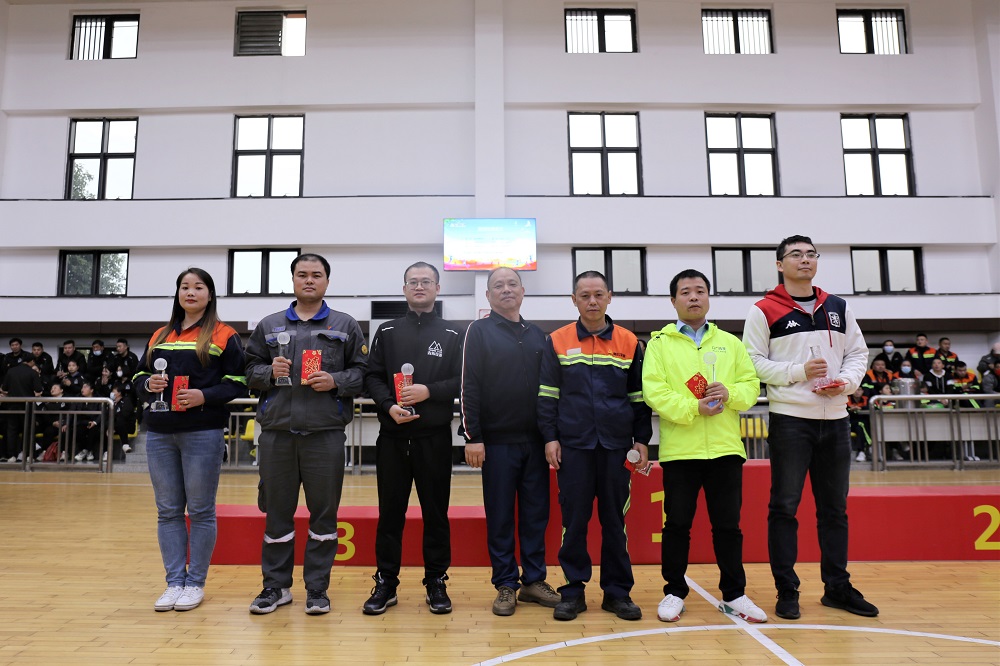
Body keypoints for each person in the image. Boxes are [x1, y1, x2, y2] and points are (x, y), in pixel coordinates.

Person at [743, 235, 878, 620]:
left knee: (834, 510)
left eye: (810, 254)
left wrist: (846, 383)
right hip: (790, 421)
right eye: (796, 254)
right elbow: (752, 362)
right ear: (779, 264)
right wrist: (798, 371)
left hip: (835, 420)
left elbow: (858, 353)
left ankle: (837, 588)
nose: (805, 260)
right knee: (784, 508)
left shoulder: (838, 306)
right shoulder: (763, 310)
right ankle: (787, 590)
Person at [245, 253, 368, 616]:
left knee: (324, 516)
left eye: (316, 275)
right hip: (277, 435)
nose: (309, 280)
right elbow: (248, 371)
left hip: (324, 435)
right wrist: (268, 372)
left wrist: (336, 380)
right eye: (303, 274)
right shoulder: (268, 325)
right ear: (293, 280)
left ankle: (317, 589)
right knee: (277, 514)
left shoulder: (345, 324)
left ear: (327, 281)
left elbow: (363, 373)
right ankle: (275, 587)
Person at [643, 269, 766, 624]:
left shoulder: (730, 342)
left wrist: (731, 393)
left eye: (700, 290)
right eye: (685, 292)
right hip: (681, 451)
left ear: (709, 297)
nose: (693, 297)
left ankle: (734, 594)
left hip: (725, 449)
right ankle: (674, 591)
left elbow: (750, 386)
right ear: (673, 301)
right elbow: (654, 392)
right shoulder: (659, 344)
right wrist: (693, 408)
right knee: (677, 525)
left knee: (728, 526)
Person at [537, 270, 651, 622]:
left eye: (598, 294)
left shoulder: (630, 342)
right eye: (584, 295)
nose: (592, 301)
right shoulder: (556, 341)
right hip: (573, 447)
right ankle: (572, 592)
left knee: (615, 521)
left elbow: (639, 398)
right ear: (574, 300)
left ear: (609, 297)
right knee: (574, 521)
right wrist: (550, 437)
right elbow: (547, 395)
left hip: (617, 448)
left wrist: (642, 440)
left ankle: (617, 594)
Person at [134, 268, 247, 613]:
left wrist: (204, 396)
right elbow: (140, 375)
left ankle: (195, 582)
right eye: (185, 287)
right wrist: (148, 385)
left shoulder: (225, 334)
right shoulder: (161, 334)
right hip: (159, 433)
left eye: (198, 287)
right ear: (178, 293)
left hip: (203, 432)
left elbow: (239, 382)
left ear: (210, 295)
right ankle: (174, 582)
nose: (191, 292)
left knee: (200, 510)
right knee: (168, 511)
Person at [361, 262, 462, 616]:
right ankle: (386, 582)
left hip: (434, 439)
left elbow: (462, 380)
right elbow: (372, 377)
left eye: (426, 281)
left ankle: (436, 581)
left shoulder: (453, 333)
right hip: (392, 437)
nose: (420, 286)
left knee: (436, 514)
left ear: (437, 288)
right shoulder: (387, 330)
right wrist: (388, 405)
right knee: (390, 514)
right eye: (413, 282)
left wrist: (428, 391)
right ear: (404, 289)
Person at [460, 267, 561, 616]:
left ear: (522, 291)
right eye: (498, 285)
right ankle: (506, 583)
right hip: (497, 444)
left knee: (536, 516)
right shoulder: (478, 331)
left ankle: (534, 580)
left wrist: (551, 436)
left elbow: (550, 391)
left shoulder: (538, 336)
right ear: (488, 295)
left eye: (512, 284)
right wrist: (473, 437)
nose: (506, 289)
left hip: (535, 444)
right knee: (501, 516)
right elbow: (468, 385)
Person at [1, 356, 42, 462]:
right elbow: (38, 389)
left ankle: (11, 456)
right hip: (27, 405)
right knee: (28, 430)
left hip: (12, 405)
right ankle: (29, 455)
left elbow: (4, 388)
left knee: (11, 430)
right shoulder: (33, 373)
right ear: (32, 361)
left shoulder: (11, 371)